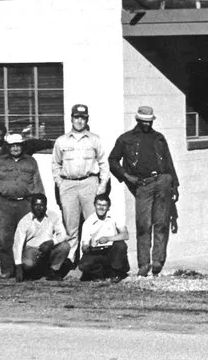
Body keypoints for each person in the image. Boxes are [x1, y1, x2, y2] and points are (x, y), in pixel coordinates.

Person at [108, 106, 179, 277]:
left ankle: (158, 261)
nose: (147, 124)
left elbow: (168, 161)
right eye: (144, 121)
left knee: (161, 223)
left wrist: (175, 184)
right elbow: (112, 160)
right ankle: (144, 263)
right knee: (143, 224)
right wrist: (127, 176)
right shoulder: (126, 139)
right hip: (143, 184)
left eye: (149, 121)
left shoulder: (159, 138)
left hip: (162, 181)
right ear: (137, 120)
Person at [52, 104, 110, 265]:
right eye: (76, 117)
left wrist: (101, 186)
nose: (79, 121)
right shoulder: (61, 141)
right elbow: (56, 164)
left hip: (89, 183)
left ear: (87, 119)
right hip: (68, 184)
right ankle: (70, 260)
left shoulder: (94, 139)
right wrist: (60, 183)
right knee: (70, 225)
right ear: (71, 118)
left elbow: (104, 164)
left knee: (93, 223)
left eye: (83, 118)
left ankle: (92, 261)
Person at [0, 133, 45, 278]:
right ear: (8, 147)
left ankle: (25, 268)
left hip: (25, 203)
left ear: (22, 146)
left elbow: (37, 183)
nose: (15, 148)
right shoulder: (0, 161)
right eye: (12, 146)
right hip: (4, 204)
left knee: (25, 237)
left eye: (18, 145)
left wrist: (40, 204)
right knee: (4, 238)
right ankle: (7, 270)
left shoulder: (31, 161)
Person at [0, 123, 54, 188]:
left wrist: (54, 144)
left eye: (1, 136)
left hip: (7, 190)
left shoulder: (9, 148)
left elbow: (32, 144)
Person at [13, 194, 71, 282]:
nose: (38, 208)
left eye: (41, 205)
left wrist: (52, 242)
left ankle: (53, 271)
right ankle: (32, 273)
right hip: (31, 249)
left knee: (65, 246)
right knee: (28, 264)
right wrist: (18, 266)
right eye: (36, 205)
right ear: (31, 206)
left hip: (49, 248)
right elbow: (18, 244)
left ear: (46, 206)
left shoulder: (53, 216)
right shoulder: (25, 221)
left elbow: (63, 234)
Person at [78, 195, 129, 283]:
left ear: (108, 207)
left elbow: (125, 235)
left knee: (120, 245)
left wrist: (108, 239)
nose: (101, 208)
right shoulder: (88, 222)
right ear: (94, 205)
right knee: (83, 265)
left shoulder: (114, 217)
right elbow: (84, 246)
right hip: (97, 251)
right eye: (99, 205)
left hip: (111, 251)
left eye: (104, 205)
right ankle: (100, 274)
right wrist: (88, 246)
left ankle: (116, 272)